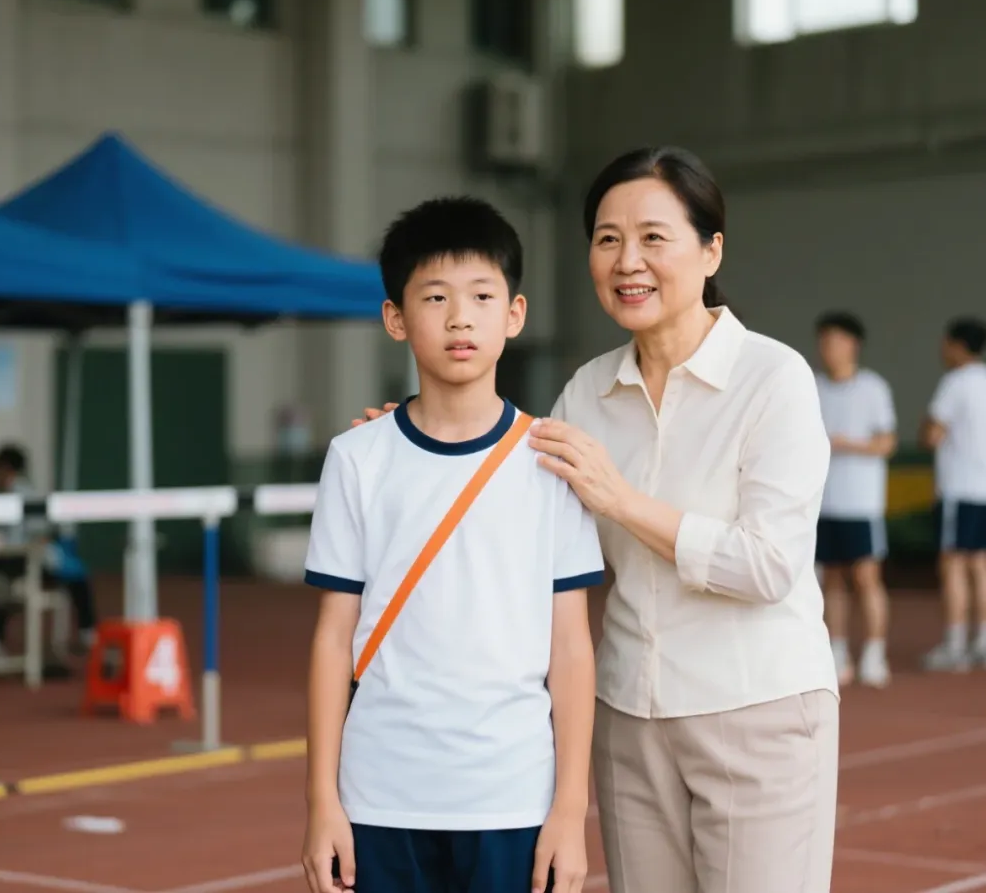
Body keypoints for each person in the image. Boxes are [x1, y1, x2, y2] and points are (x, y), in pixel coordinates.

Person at [356, 147, 840, 893]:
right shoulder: (588, 393)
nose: (627, 260)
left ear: (711, 250)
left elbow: (769, 565)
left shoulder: (772, 379)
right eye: (607, 238)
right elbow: (507, 491)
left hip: (758, 712)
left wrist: (620, 500)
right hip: (628, 719)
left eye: (653, 237)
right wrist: (420, 434)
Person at [301, 196, 605, 893]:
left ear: (515, 314)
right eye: (435, 297)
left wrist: (569, 810)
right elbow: (330, 640)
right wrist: (322, 802)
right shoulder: (356, 459)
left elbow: (571, 649)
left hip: (513, 799)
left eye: (481, 296)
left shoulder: (552, 461)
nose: (460, 317)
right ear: (396, 319)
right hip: (378, 796)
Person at [813, 311, 897, 688]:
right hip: (822, 502)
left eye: (836, 340)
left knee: (866, 577)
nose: (828, 348)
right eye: (824, 340)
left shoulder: (873, 388)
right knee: (831, 578)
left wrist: (849, 444)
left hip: (861, 503)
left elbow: (887, 442)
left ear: (853, 344)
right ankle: (838, 651)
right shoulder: (811, 385)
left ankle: (875, 653)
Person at [919, 317, 986, 671]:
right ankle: (982, 639)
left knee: (954, 565)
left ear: (959, 345)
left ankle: (955, 644)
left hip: (960, 489)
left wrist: (925, 428)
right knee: (980, 565)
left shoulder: (955, 382)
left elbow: (931, 436)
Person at [0, 444, 98, 655]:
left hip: (27, 559)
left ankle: (88, 632)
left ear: (6, 468)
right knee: (1, 592)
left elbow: (40, 534)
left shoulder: (26, 494)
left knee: (76, 578)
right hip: (3, 559)